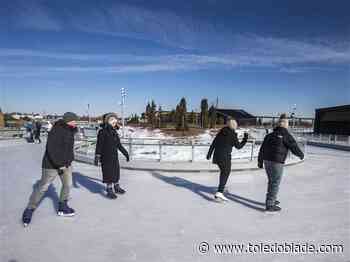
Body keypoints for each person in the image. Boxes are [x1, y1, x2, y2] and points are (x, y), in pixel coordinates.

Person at [22, 112, 79, 226]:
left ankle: (62, 206)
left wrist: (69, 160)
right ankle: (29, 209)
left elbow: (68, 148)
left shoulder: (70, 130)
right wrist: (60, 164)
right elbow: (51, 149)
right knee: (43, 187)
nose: (75, 122)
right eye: (73, 120)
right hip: (51, 165)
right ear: (68, 121)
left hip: (66, 164)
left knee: (67, 185)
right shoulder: (57, 130)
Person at [258, 114, 304, 212]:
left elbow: (262, 149)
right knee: (275, 182)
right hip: (277, 162)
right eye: (288, 124)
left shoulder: (270, 135)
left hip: (267, 161)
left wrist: (260, 161)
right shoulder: (286, 135)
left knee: (272, 181)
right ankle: (270, 204)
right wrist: (301, 154)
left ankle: (271, 199)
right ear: (286, 124)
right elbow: (294, 147)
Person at [207, 118, 249, 201]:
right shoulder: (232, 135)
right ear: (234, 126)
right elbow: (239, 146)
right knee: (226, 172)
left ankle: (221, 188)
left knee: (224, 172)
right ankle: (220, 192)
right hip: (225, 157)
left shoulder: (221, 132)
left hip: (217, 156)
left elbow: (214, 143)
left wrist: (209, 154)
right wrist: (245, 138)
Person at [94, 113, 130, 199]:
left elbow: (119, 145)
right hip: (105, 157)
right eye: (111, 120)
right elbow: (99, 145)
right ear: (107, 121)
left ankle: (116, 187)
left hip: (114, 156)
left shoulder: (114, 132)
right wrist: (97, 156)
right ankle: (109, 189)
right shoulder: (102, 132)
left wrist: (126, 153)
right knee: (108, 173)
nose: (114, 121)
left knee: (116, 172)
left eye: (115, 119)